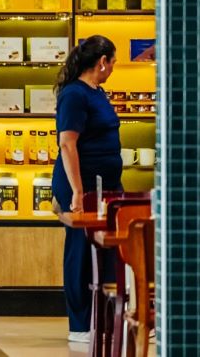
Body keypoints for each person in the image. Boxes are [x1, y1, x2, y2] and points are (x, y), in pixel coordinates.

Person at [51, 35, 122, 344]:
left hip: (106, 185)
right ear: (102, 62)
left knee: (107, 250)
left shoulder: (98, 92)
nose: (113, 67)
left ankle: (105, 320)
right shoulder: (74, 95)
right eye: (113, 62)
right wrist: (78, 192)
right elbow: (68, 145)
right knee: (80, 250)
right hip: (82, 185)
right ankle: (80, 325)